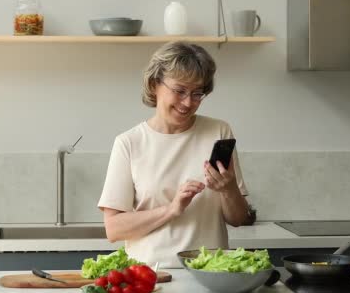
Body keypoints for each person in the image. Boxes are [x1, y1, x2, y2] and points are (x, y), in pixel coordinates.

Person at [98, 41, 250, 268]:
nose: (188, 103)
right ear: (154, 85)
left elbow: (238, 219)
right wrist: (171, 209)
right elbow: (114, 229)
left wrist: (228, 190)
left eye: (197, 93)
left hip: (211, 274)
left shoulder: (219, 132)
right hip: (149, 277)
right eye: (179, 91)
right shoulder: (129, 143)